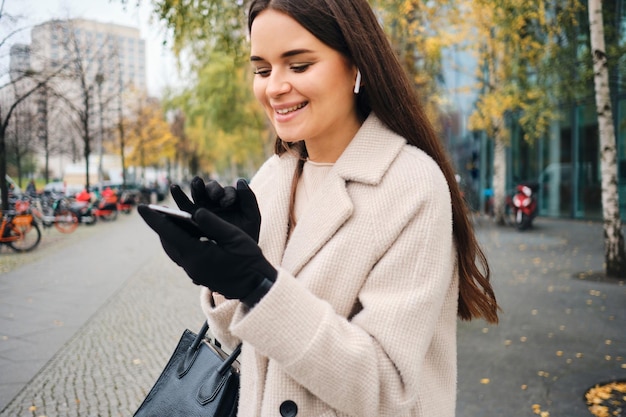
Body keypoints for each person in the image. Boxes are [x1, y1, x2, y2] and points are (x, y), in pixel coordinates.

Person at [138, 0, 500, 416]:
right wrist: (224, 280)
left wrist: (261, 287)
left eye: (299, 65)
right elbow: (246, 350)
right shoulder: (272, 178)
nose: (274, 86)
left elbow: (387, 389)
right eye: (262, 69)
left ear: (356, 65)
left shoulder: (411, 186)